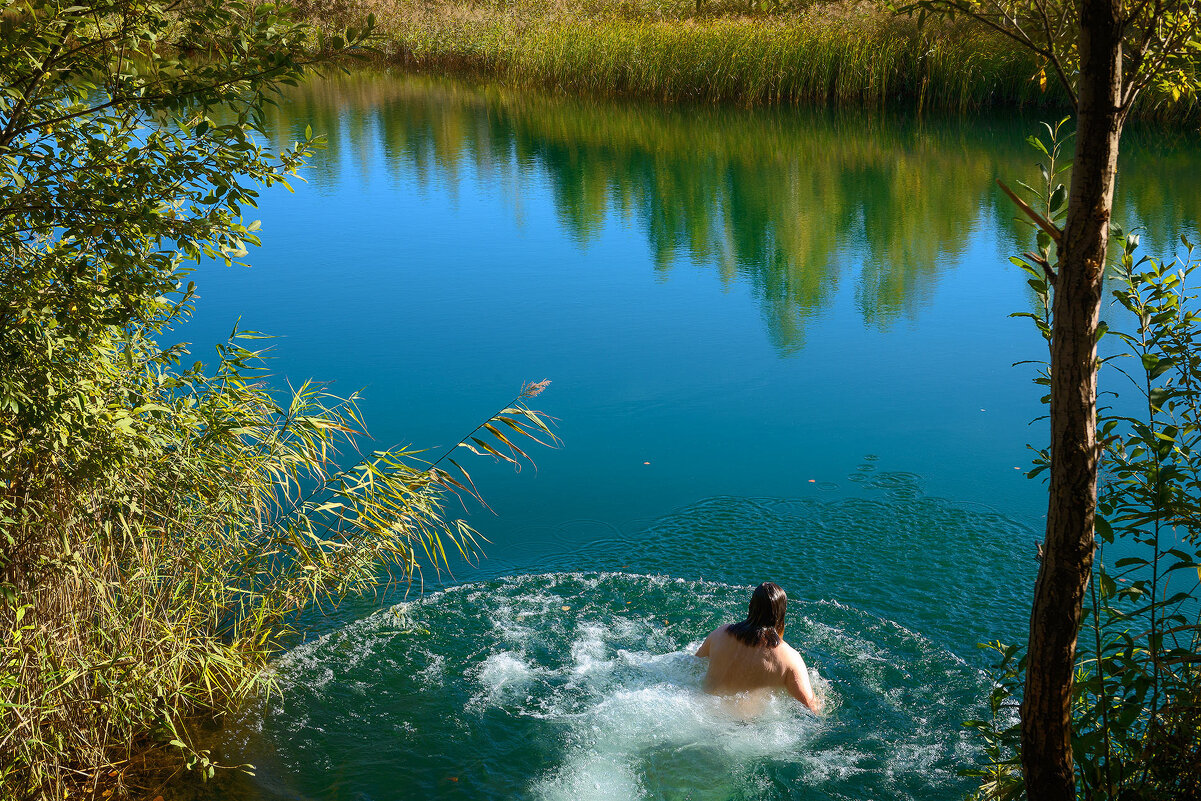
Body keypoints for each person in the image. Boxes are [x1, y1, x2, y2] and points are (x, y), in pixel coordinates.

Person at [694, 582, 822, 714]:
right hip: (741, 727)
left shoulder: (719, 634)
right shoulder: (789, 658)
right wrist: (821, 695)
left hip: (701, 709)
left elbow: (693, 664)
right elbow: (811, 707)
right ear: (781, 614)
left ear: (751, 607)